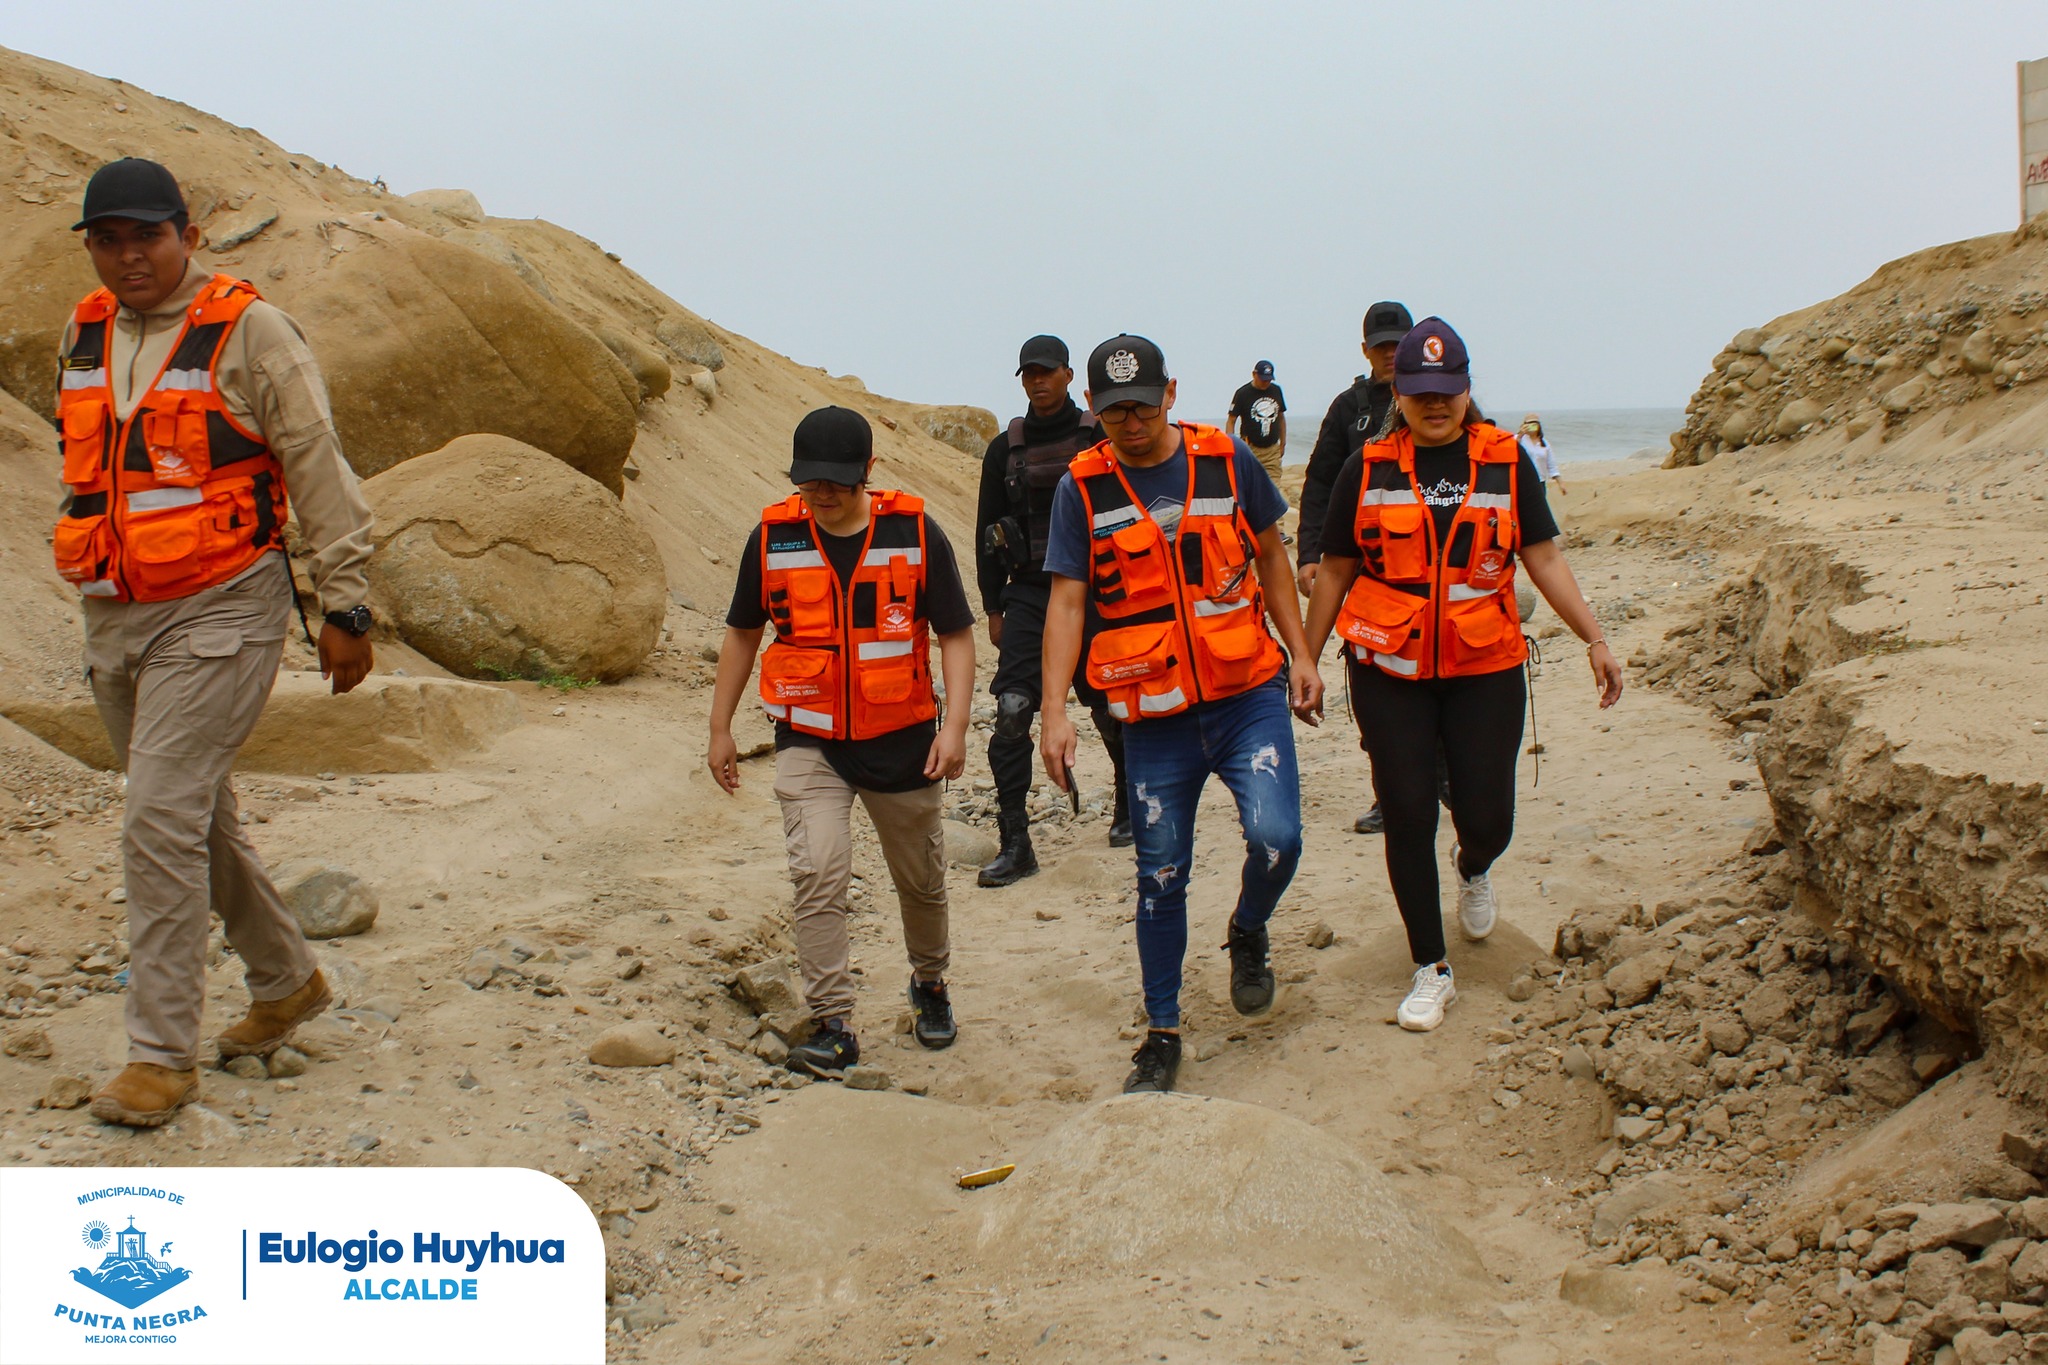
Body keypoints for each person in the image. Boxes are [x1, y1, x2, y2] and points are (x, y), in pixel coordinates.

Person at [56, 158, 375, 1127]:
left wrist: (345, 605)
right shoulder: (84, 330)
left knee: (157, 815)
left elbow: (317, 462)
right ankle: (285, 980)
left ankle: (159, 1058)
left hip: (223, 607)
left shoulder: (253, 330)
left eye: (145, 237)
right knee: (191, 817)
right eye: (107, 239)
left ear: (186, 235)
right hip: (116, 611)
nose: (127, 257)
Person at [1303, 319, 1622, 1033]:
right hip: (1390, 666)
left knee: (1488, 814)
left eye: (1447, 391)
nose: (1435, 404)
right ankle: (1430, 967)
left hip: (1485, 665)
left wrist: (1594, 638)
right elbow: (1335, 571)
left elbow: (1542, 559)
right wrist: (1308, 656)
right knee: (1407, 808)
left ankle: (1473, 865)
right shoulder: (1368, 466)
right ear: (1400, 391)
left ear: (1467, 387)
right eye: (1419, 392)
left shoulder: (1507, 461)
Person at [1039, 335, 1324, 1094]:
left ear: (1170, 394)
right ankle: (1161, 1032)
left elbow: (1270, 555)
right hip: (1154, 716)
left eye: (1139, 405)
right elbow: (1067, 603)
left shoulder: (1226, 460)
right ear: (1095, 411)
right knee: (1160, 873)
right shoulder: (1082, 488)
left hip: (1245, 694)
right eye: (1111, 411)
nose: (1127, 423)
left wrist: (1301, 654)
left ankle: (1247, 927)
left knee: (1277, 837)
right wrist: (1053, 712)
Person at [707, 406, 976, 1076]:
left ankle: (930, 983)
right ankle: (832, 1022)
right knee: (817, 871)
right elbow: (743, 631)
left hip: (903, 738)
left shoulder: (914, 532)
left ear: (868, 472)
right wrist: (720, 727)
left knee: (920, 881)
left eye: (836, 480)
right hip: (810, 737)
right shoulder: (773, 537)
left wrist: (956, 725)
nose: (822, 493)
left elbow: (956, 634)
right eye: (809, 481)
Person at [973, 335, 1129, 887]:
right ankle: (1015, 842)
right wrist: (994, 606)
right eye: (1028, 374)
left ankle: (1129, 803)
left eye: (1047, 372)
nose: (1037, 382)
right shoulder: (1005, 448)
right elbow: (988, 530)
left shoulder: (1100, 435)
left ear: (1068, 376)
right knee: (1013, 710)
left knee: (1110, 703)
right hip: (1030, 593)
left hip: (1100, 592)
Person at [1296, 301, 1409, 835]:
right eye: (1381, 345)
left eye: (1399, 343)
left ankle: (1440, 774)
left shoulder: (1435, 402)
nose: (1390, 353)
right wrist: (1310, 555)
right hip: (1359, 573)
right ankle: (1390, 790)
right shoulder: (1349, 409)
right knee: (1374, 688)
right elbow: (1319, 483)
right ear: (1365, 350)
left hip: (1420, 573)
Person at [1224, 359, 1288, 498]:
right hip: (1250, 449)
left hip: (1272, 451)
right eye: (1263, 379)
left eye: (1269, 380)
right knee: (1250, 492)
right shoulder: (1242, 393)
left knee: (1275, 493)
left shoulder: (1276, 390)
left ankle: (1278, 520)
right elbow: (1231, 420)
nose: (1266, 383)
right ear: (1254, 374)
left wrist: (1283, 443)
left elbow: (1281, 418)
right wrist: (1231, 445)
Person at [1519, 414, 1566, 495]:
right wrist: (1520, 435)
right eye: (1529, 424)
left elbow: (1552, 465)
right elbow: (1510, 451)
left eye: (1534, 424)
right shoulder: (1519, 439)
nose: (1532, 426)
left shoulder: (1544, 443)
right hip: (1523, 481)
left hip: (1540, 481)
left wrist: (1561, 484)